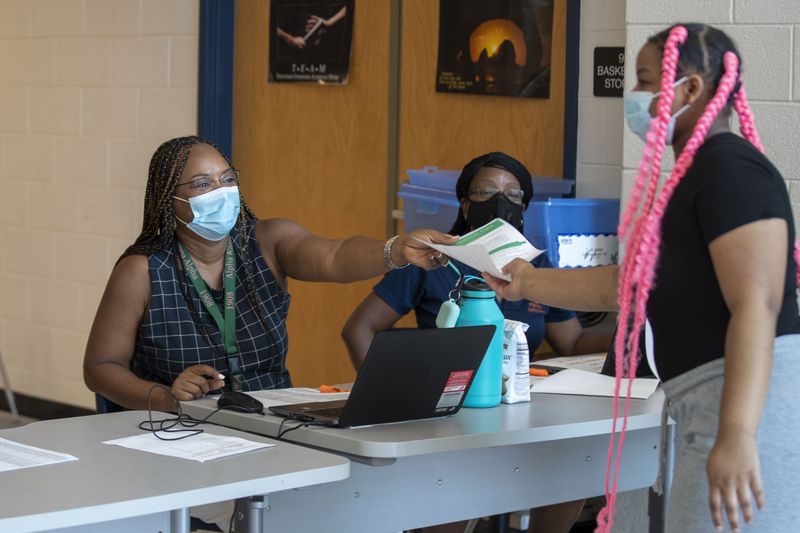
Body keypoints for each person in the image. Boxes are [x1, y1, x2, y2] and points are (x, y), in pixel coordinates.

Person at [485, 24, 800, 533]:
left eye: (646, 81)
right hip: (701, 408)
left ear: (691, 89)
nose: (635, 96)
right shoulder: (693, 178)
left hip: (744, 410)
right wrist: (525, 282)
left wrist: (738, 434)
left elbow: (757, 305)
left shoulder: (730, 170)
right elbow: (625, 287)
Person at [83, 135, 454, 414]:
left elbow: (334, 257)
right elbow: (101, 368)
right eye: (202, 184)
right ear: (170, 199)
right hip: (186, 427)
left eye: (228, 179)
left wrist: (396, 250)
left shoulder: (268, 240)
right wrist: (166, 396)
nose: (221, 191)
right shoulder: (143, 270)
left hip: (271, 415)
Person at [342, 152, 610, 533]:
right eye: (485, 191)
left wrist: (634, 332)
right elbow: (359, 329)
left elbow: (573, 342)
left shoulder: (537, 270)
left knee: (573, 473)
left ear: (525, 206)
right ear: (464, 204)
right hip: (450, 413)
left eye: (513, 194)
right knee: (454, 503)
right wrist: (386, 401)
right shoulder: (435, 260)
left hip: (518, 410)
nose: (500, 201)